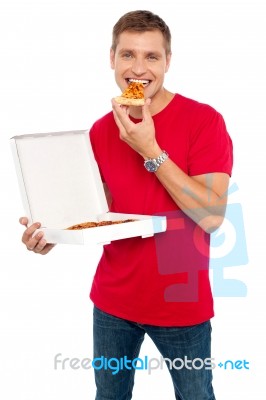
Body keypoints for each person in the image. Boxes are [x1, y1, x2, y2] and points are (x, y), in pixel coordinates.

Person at [19, 10, 233, 400]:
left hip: (181, 307)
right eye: (128, 55)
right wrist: (49, 232)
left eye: (151, 56)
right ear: (112, 59)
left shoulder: (204, 121)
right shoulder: (102, 130)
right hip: (113, 304)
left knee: (197, 396)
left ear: (168, 61)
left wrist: (149, 149)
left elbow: (214, 216)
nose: (139, 68)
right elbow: (94, 213)